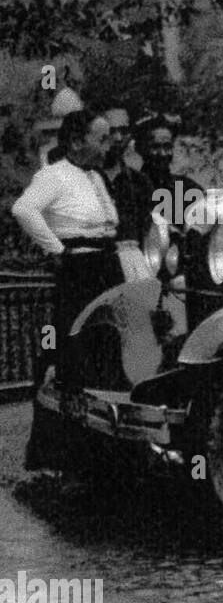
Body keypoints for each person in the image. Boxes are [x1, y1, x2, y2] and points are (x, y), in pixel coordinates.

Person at [8, 110, 123, 469]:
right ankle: (63, 457)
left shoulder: (96, 176)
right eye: (102, 139)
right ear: (76, 141)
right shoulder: (53, 175)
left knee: (110, 354)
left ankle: (107, 456)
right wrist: (56, 250)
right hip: (80, 272)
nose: (110, 145)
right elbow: (23, 210)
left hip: (107, 267)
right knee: (73, 357)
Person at [100, 108, 153, 246]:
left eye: (123, 131)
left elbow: (147, 231)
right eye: (111, 131)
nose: (118, 138)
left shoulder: (140, 182)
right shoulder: (83, 179)